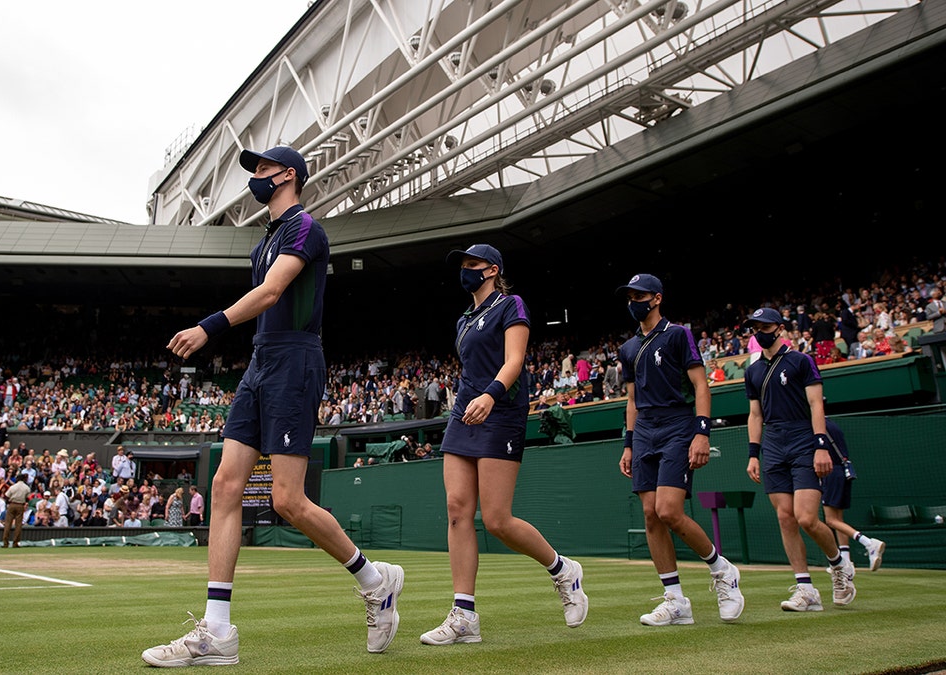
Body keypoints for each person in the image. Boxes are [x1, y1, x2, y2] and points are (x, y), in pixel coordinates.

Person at [144, 145, 402, 668]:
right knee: (223, 485)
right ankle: (217, 632)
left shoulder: (306, 228)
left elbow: (271, 293)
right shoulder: (265, 239)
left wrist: (207, 326)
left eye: (262, 170)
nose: (254, 178)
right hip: (262, 361)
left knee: (287, 501)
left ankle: (374, 582)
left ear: (289, 175)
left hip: (296, 362)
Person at [420, 244, 588, 647]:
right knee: (457, 510)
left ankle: (563, 570)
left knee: (496, 519)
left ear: (492, 270)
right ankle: (464, 616)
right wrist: (468, 401)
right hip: (466, 410)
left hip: (501, 409)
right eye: (462, 266)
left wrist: (492, 395)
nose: (465, 271)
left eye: (472, 265)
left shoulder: (511, 305)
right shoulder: (463, 320)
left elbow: (514, 360)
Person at [615, 273, 744, 626]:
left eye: (639, 295)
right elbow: (631, 400)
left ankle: (723, 571)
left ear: (656, 298)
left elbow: (701, 385)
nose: (633, 302)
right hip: (644, 431)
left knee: (669, 510)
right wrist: (628, 443)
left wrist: (701, 433)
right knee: (650, 514)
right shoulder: (627, 349)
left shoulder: (678, 334)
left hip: (677, 425)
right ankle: (675, 600)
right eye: (629, 296)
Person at [742, 307, 857, 612]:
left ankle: (839, 567)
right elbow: (755, 414)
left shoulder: (801, 361)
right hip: (774, 445)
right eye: (755, 327)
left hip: (803, 441)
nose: (759, 331)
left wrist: (821, 446)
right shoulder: (752, 371)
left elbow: (816, 404)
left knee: (807, 517)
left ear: (779, 327)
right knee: (785, 517)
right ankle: (805, 588)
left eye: (763, 326)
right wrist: (754, 453)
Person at [818, 417, 886, 572]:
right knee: (838, 519)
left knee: (831, 520)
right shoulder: (833, 425)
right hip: (844, 471)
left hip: (830, 472)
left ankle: (869, 543)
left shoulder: (819, 427)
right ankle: (847, 561)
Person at [2, 472, 31, 548]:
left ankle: (5, 543)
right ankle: (15, 543)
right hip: (20, 505)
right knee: (18, 525)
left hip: (12, 504)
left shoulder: (13, 487)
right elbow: (28, 498)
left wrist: (9, 502)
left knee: (8, 524)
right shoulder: (26, 488)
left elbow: (6, 496)